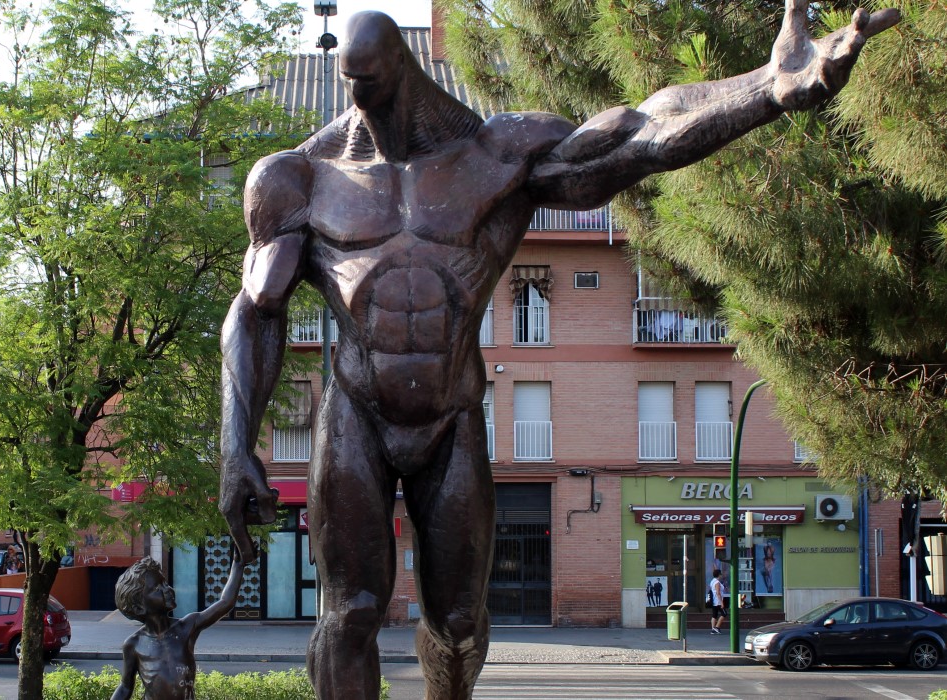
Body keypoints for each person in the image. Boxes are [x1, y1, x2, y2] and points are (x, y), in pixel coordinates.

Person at [217, 4, 897, 697]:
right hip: (356, 412)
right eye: (350, 83)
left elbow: (638, 133)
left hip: (450, 418)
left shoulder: (496, 157)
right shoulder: (298, 177)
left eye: (371, 81)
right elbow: (255, 311)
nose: (360, 98)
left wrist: (767, 89)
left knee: (457, 624)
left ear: (403, 67)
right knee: (350, 612)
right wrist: (235, 444)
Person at [110, 552, 244, 700]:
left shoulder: (186, 627)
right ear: (139, 607)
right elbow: (125, 688)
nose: (167, 589)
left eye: (165, 583)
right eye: (157, 588)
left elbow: (226, 602)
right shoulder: (134, 644)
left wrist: (238, 566)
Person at [709, 569, 727, 634]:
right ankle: (716, 627)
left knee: (714, 615)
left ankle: (713, 629)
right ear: (719, 575)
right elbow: (718, 593)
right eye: (721, 574)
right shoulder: (717, 582)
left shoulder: (712, 581)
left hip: (714, 601)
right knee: (724, 614)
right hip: (718, 601)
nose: (721, 575)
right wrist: (722, 603)